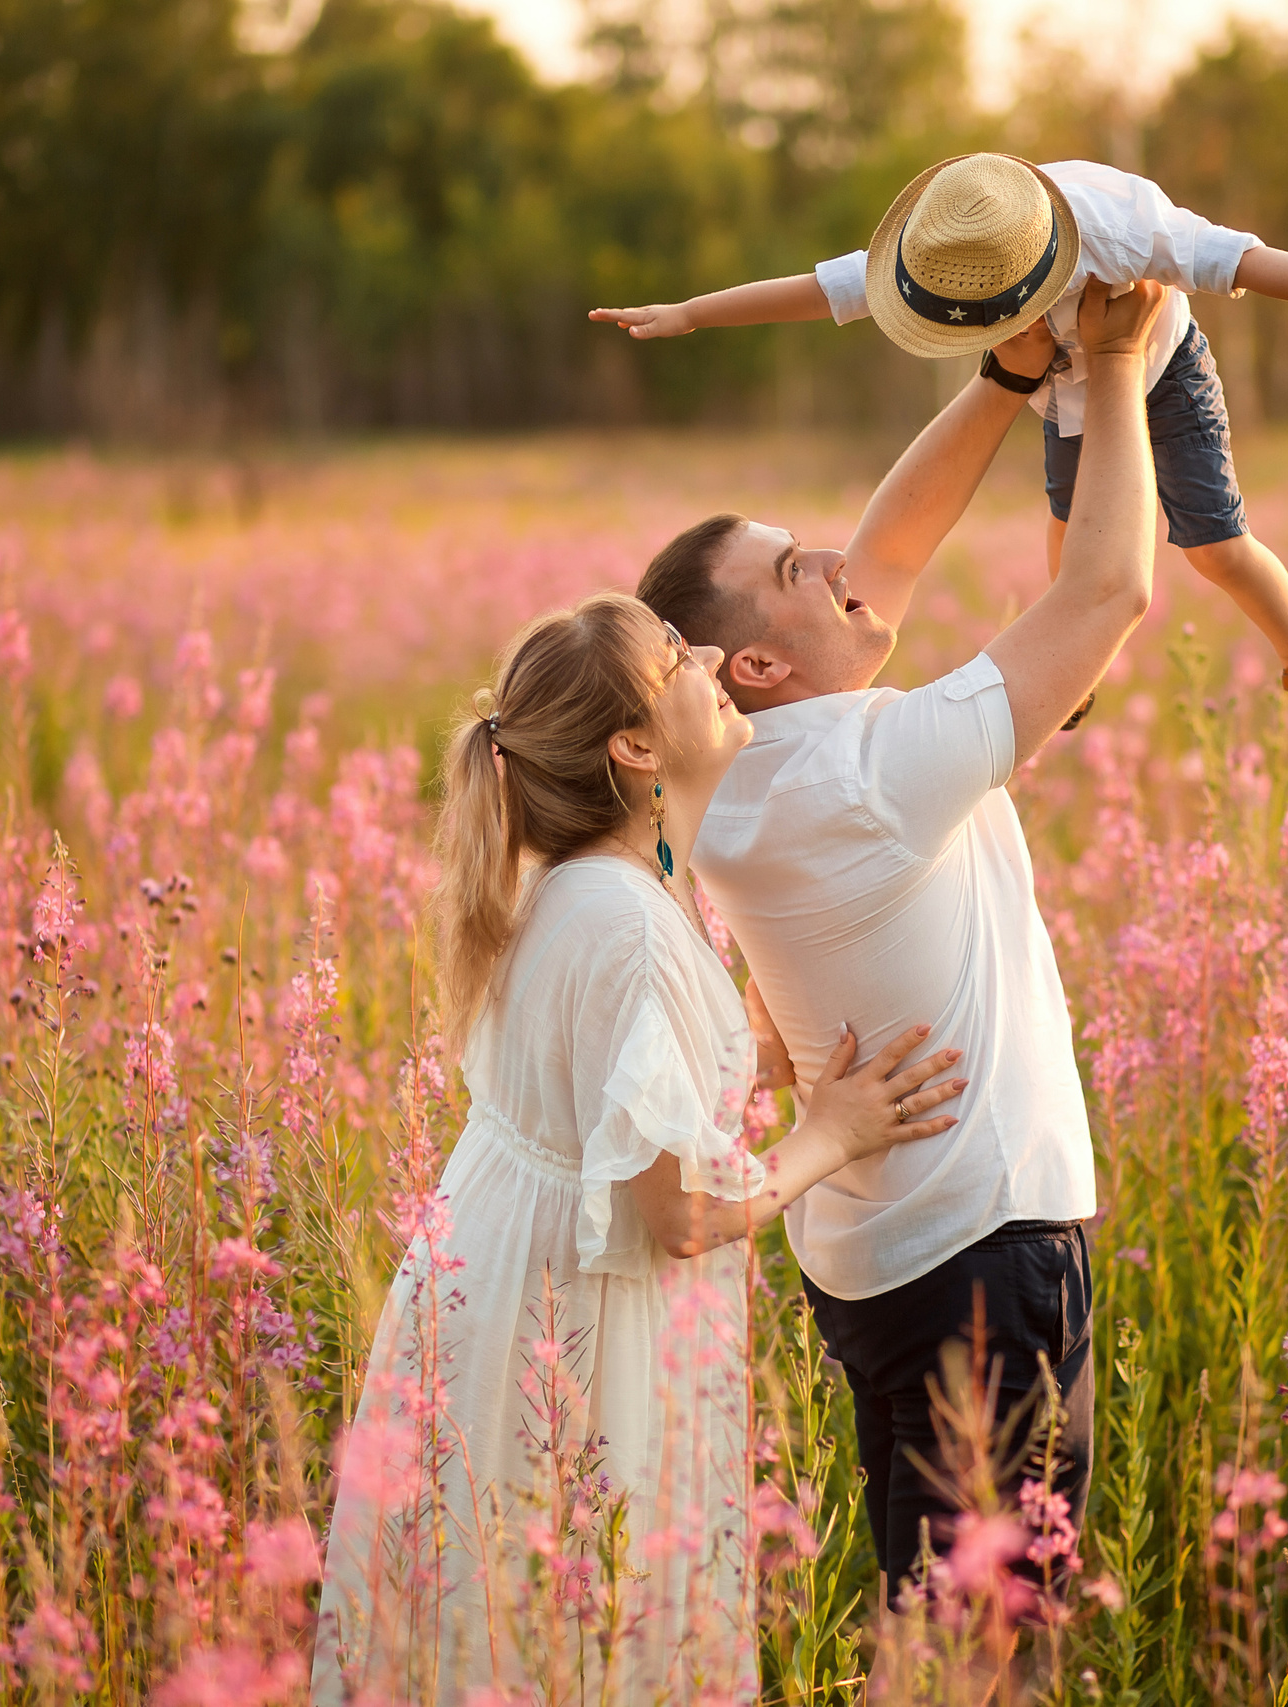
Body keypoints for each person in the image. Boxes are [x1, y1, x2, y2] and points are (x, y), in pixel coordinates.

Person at [310, 592, 968, 1706]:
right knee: (582, 1631)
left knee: (499, 1631)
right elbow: (681, 1215)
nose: (709, 652)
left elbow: (604, 1091)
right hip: (575, 1323)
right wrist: (829, 1135)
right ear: (635, 746)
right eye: (676, 656)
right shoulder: (626, 922)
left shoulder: (580, 885)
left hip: (505, 1295)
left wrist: (738, 1049)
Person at [632, 278, 1166, 1602]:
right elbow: (1109, 591)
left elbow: (887, 555)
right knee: (989, 1634)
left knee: (924, 1612)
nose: (840, 563)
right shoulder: (866, 776)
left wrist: (1004, 377)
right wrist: (1110, 364)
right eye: (795, 571)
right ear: (759, 666)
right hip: (984, 1247)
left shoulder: (740, 779)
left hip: (878, 1257)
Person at [597, 151, 1288, 765]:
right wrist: (691, 313)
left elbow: (1242, 259)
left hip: (1160, 369)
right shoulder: (934, 255)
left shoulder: (1115, 228)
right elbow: (820, 291)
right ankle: (1069, 658)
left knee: (1216, 546)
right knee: (1068, 539)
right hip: (1067, 392)